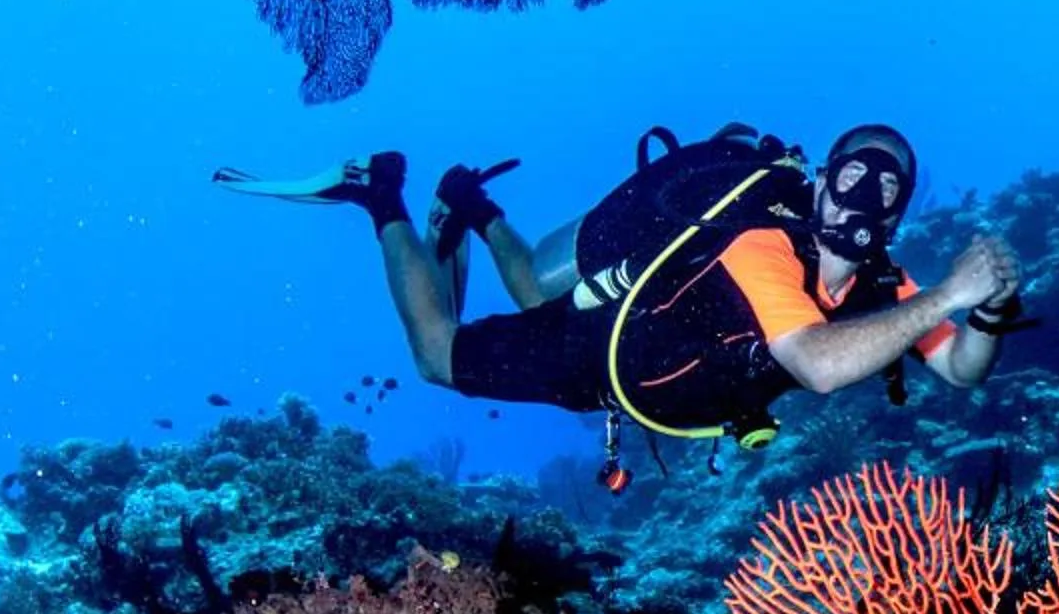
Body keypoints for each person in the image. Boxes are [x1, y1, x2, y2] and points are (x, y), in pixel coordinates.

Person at [284, 123, 1021, 460]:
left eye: (889, 187)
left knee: (528, 294)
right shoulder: (763, 241)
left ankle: (472, 207)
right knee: (436, 357)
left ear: (899, 211)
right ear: (823, 183)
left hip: (647, 384)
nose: (867, 196)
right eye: (855, 175)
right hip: (602, 353)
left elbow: (961, 368)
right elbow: (819, 366)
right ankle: (379, 193)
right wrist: (950, 292)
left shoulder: (887, 284)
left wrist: (985, 311)